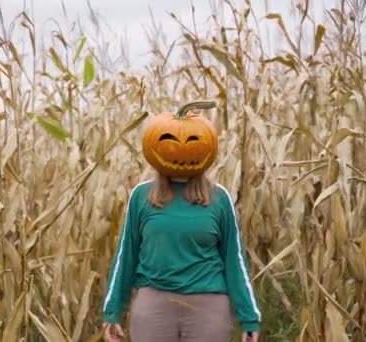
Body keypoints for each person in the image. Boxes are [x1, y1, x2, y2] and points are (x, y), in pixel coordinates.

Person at [101, 101, 262, 342]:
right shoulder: (141, 197)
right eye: (169, 141)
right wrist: (112, 311)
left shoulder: (219, 199)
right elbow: (127, 255)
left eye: (194, 142)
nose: (181, 150)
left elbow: (233, 259)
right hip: (154, 304)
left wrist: (249, 316)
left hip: (208, 307)